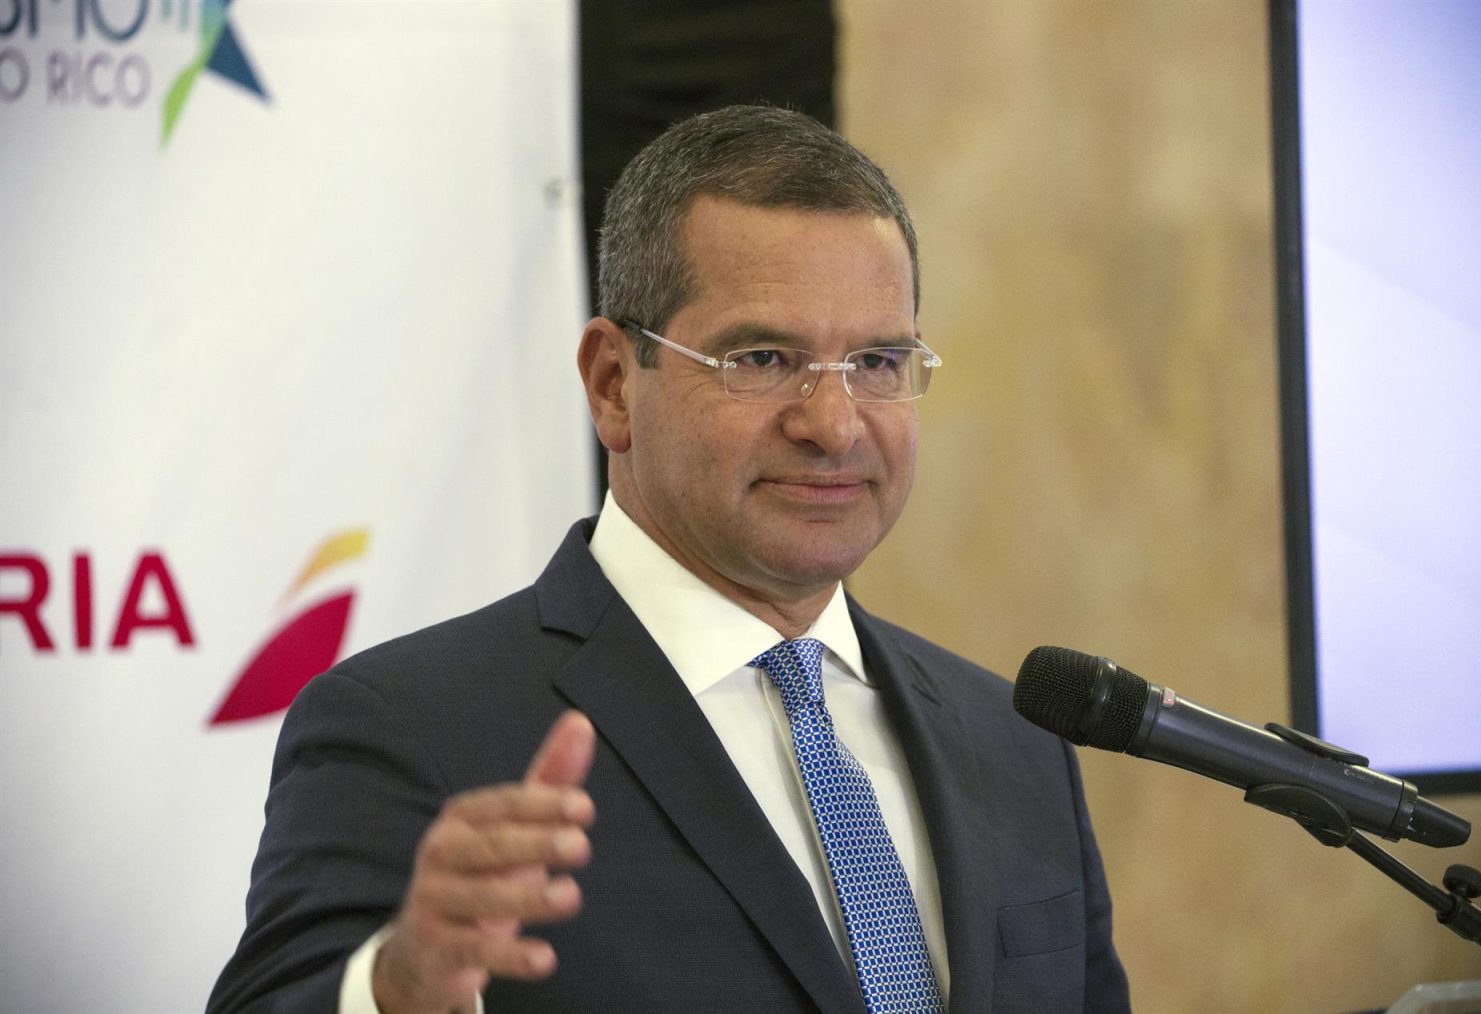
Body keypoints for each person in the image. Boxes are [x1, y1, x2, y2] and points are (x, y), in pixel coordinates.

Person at [209, 105, 1130, 1014]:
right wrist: (399, 987)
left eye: (879, 363)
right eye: (763, 358)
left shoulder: (1014, 743)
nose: (834, 424)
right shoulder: (414, 729)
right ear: (613, 385)